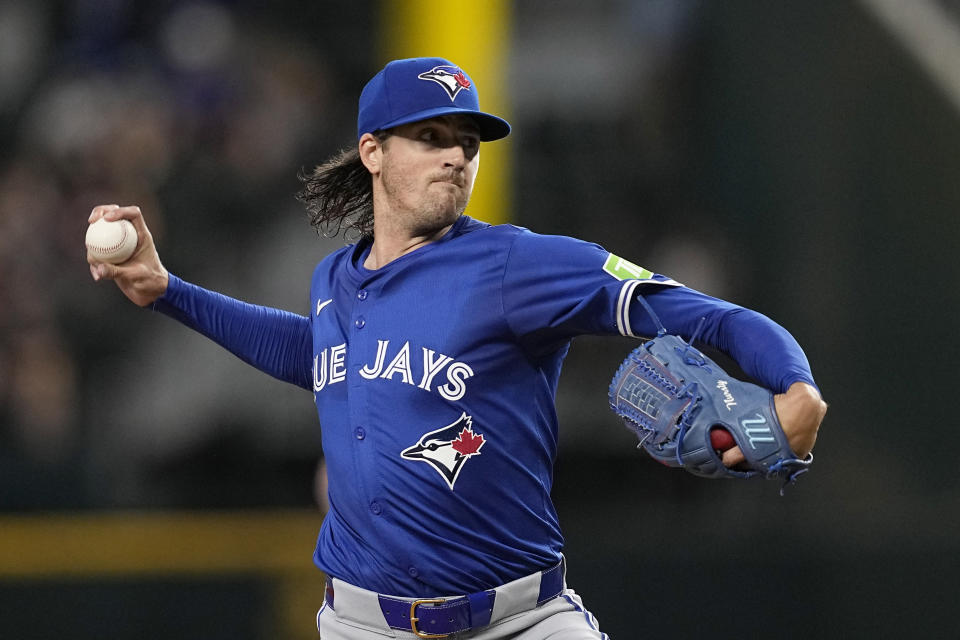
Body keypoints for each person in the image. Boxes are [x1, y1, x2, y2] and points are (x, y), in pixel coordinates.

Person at [87, 57, 826, 639]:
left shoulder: (518, 265)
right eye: (431, 138)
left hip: (522, 620)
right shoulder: (333, 281)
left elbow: (714, 319)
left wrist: (796, 390)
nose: (456, 158)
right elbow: (315, 356)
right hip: (360, 624)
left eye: (466, 144)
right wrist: (167, 291)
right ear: (372, 152)